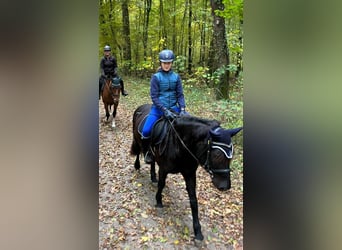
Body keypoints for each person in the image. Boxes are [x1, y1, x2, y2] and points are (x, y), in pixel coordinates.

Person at [141, 49, 188, 163]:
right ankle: (148, 152)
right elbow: (154, 96)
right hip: (159, 109)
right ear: (161, 63)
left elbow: (180, 94)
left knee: (190, 125)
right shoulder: (156, 77)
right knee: (146, 130)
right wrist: (164, 109)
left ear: (171, 63)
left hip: (174, 108)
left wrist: (182, 108)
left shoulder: (176, 77)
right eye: (164, 63)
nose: (166, 65)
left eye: (168, 63)